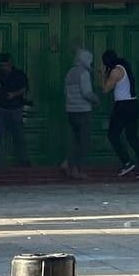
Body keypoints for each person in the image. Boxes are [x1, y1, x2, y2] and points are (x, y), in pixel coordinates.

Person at [103, 49, 139, 178]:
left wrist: (102, 74)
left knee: (113, 135)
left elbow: (106, 89)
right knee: (132, 136)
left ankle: (127, 162)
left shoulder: (115, 71)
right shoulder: (124, 67)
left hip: (123, 106)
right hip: (133, 104)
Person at [61, 49, 98, 180]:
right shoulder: (84, 73)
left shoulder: (70, 72)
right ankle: (78, 170)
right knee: (83, 141)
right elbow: (87, 93)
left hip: (71, 111)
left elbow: (65, 92)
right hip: (83, 111)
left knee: (75, 140)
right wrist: (96, 99)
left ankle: (68, 163)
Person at [0, 53, 30, 168]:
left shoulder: (19, 74)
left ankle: (23, 160)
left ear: (10, 64)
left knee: (19, 136)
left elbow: (24, 88)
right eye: (1, 66)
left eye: (5, 65)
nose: (3, 68)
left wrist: (14, 94)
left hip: (16, 108)